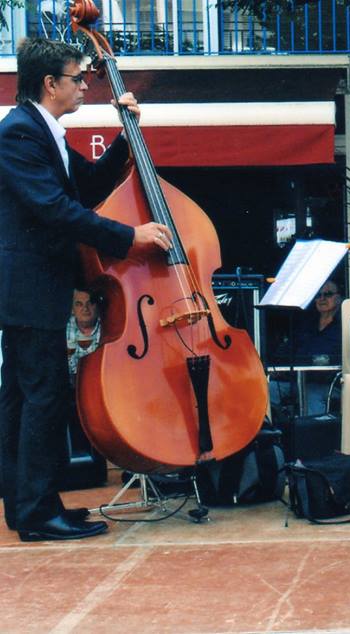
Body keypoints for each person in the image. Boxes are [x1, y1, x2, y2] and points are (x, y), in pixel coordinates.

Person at [0, 38, 172, 542]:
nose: (83, 86)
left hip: (34, 288)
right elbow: (56, 208)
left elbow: (89, 189)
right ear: (50, 84)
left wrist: (127, 133)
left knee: (22, 401)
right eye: (78, 79)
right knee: (41, 399)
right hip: (28, 289)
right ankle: (36, 514)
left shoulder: (43, 132)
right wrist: (129, 237)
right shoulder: (19, 134)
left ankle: (31, 506)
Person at [270, 279, 343, 416]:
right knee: (268, 389)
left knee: (311, 394)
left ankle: (314, 436)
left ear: (338, 298)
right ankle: (275, 432)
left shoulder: (344, 326)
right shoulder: (306, 324)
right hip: (297, 382)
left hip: (329, 385)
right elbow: (286, 349)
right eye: (318, 295)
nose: (322, 298)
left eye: (327, 294)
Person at [66, 288, 102, 382]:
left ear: (97, 307)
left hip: (97, 382)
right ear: (72, 309)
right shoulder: (63, 329)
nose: (85, 309)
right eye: (79, 304)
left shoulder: (108, 329)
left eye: (90, 303)